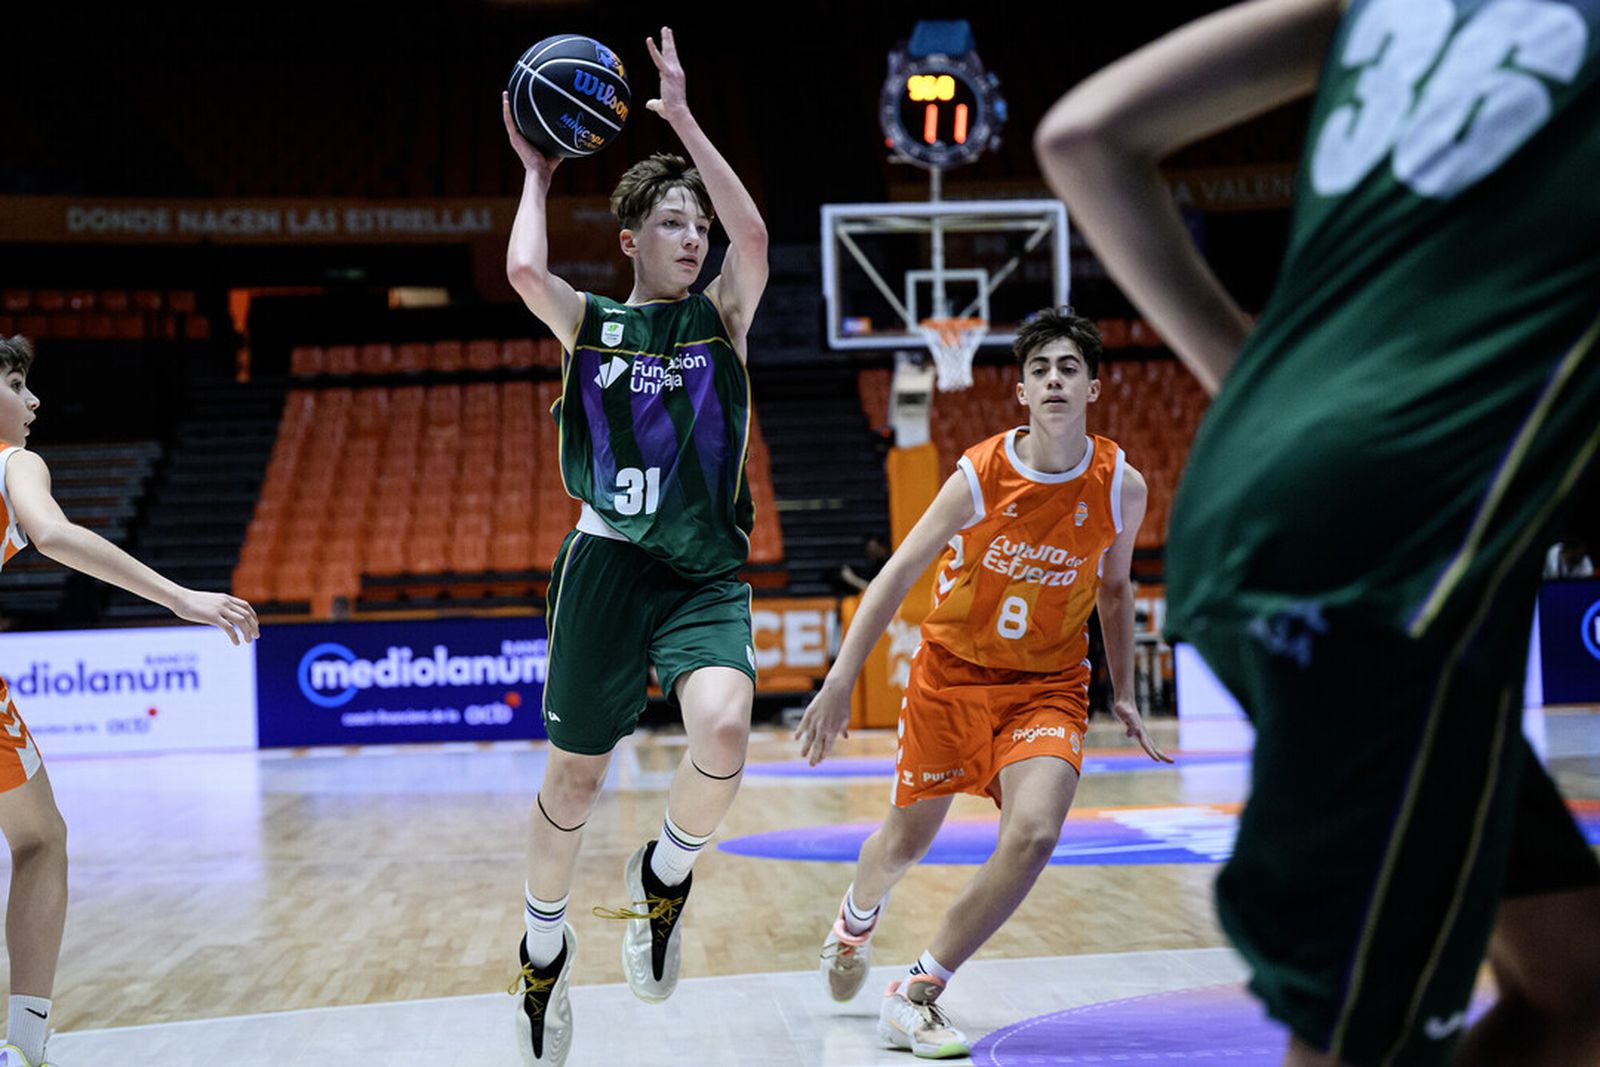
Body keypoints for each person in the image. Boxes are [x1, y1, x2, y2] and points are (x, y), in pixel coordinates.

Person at [1036, 2, 1600, 1065]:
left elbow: (1082, 135)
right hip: (1395, 545)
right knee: (1362, 1038)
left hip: (1250, 486)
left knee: (1573, 979)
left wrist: (1241, 371)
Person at [795, 309, 1170, 1059]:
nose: (1055, 379)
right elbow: (898, 572)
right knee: (903, 844)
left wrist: (1123, 690)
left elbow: (1117, 589)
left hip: (1049, 685)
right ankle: (855, 917)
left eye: (1069, 367)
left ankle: (918, 988)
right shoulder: (982, 473)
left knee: (1033, 833)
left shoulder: (1121, 487)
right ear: (1022, 392)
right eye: (1040, 369)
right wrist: (840, 679)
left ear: (1093, 387)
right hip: (952, 676)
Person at [500, 26, 768, 1067]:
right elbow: (523, 263)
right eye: (669, 223)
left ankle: (663, 875)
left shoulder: (721, 320)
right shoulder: (594, 325)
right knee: (572, 782)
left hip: (700, 568)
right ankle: (539, 946)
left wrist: (683, 121)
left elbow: (753, 236)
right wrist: (534, 168)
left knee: (728, 729)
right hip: (607, 563)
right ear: (630, 241)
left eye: (694, 224)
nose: (691, 238)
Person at [0, 335, 258, 1067]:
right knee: (40, 840)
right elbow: (50, 532)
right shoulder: (13, 461)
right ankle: (22, 1044)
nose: (33, 400)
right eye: (17, 383)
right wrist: (178, 596)